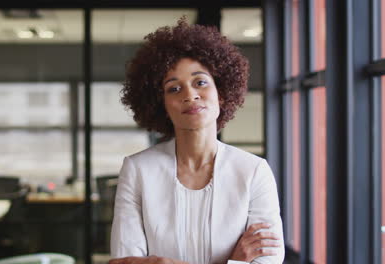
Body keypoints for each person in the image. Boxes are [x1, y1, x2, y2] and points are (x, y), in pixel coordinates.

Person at [109, 18, 284, 264]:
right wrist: (233, 261)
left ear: (221, 94)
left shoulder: (253, 171)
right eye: (174, 88)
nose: (190, 95)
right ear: (161, 105)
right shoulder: (137, 170)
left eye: (200, 82)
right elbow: (124, 261)